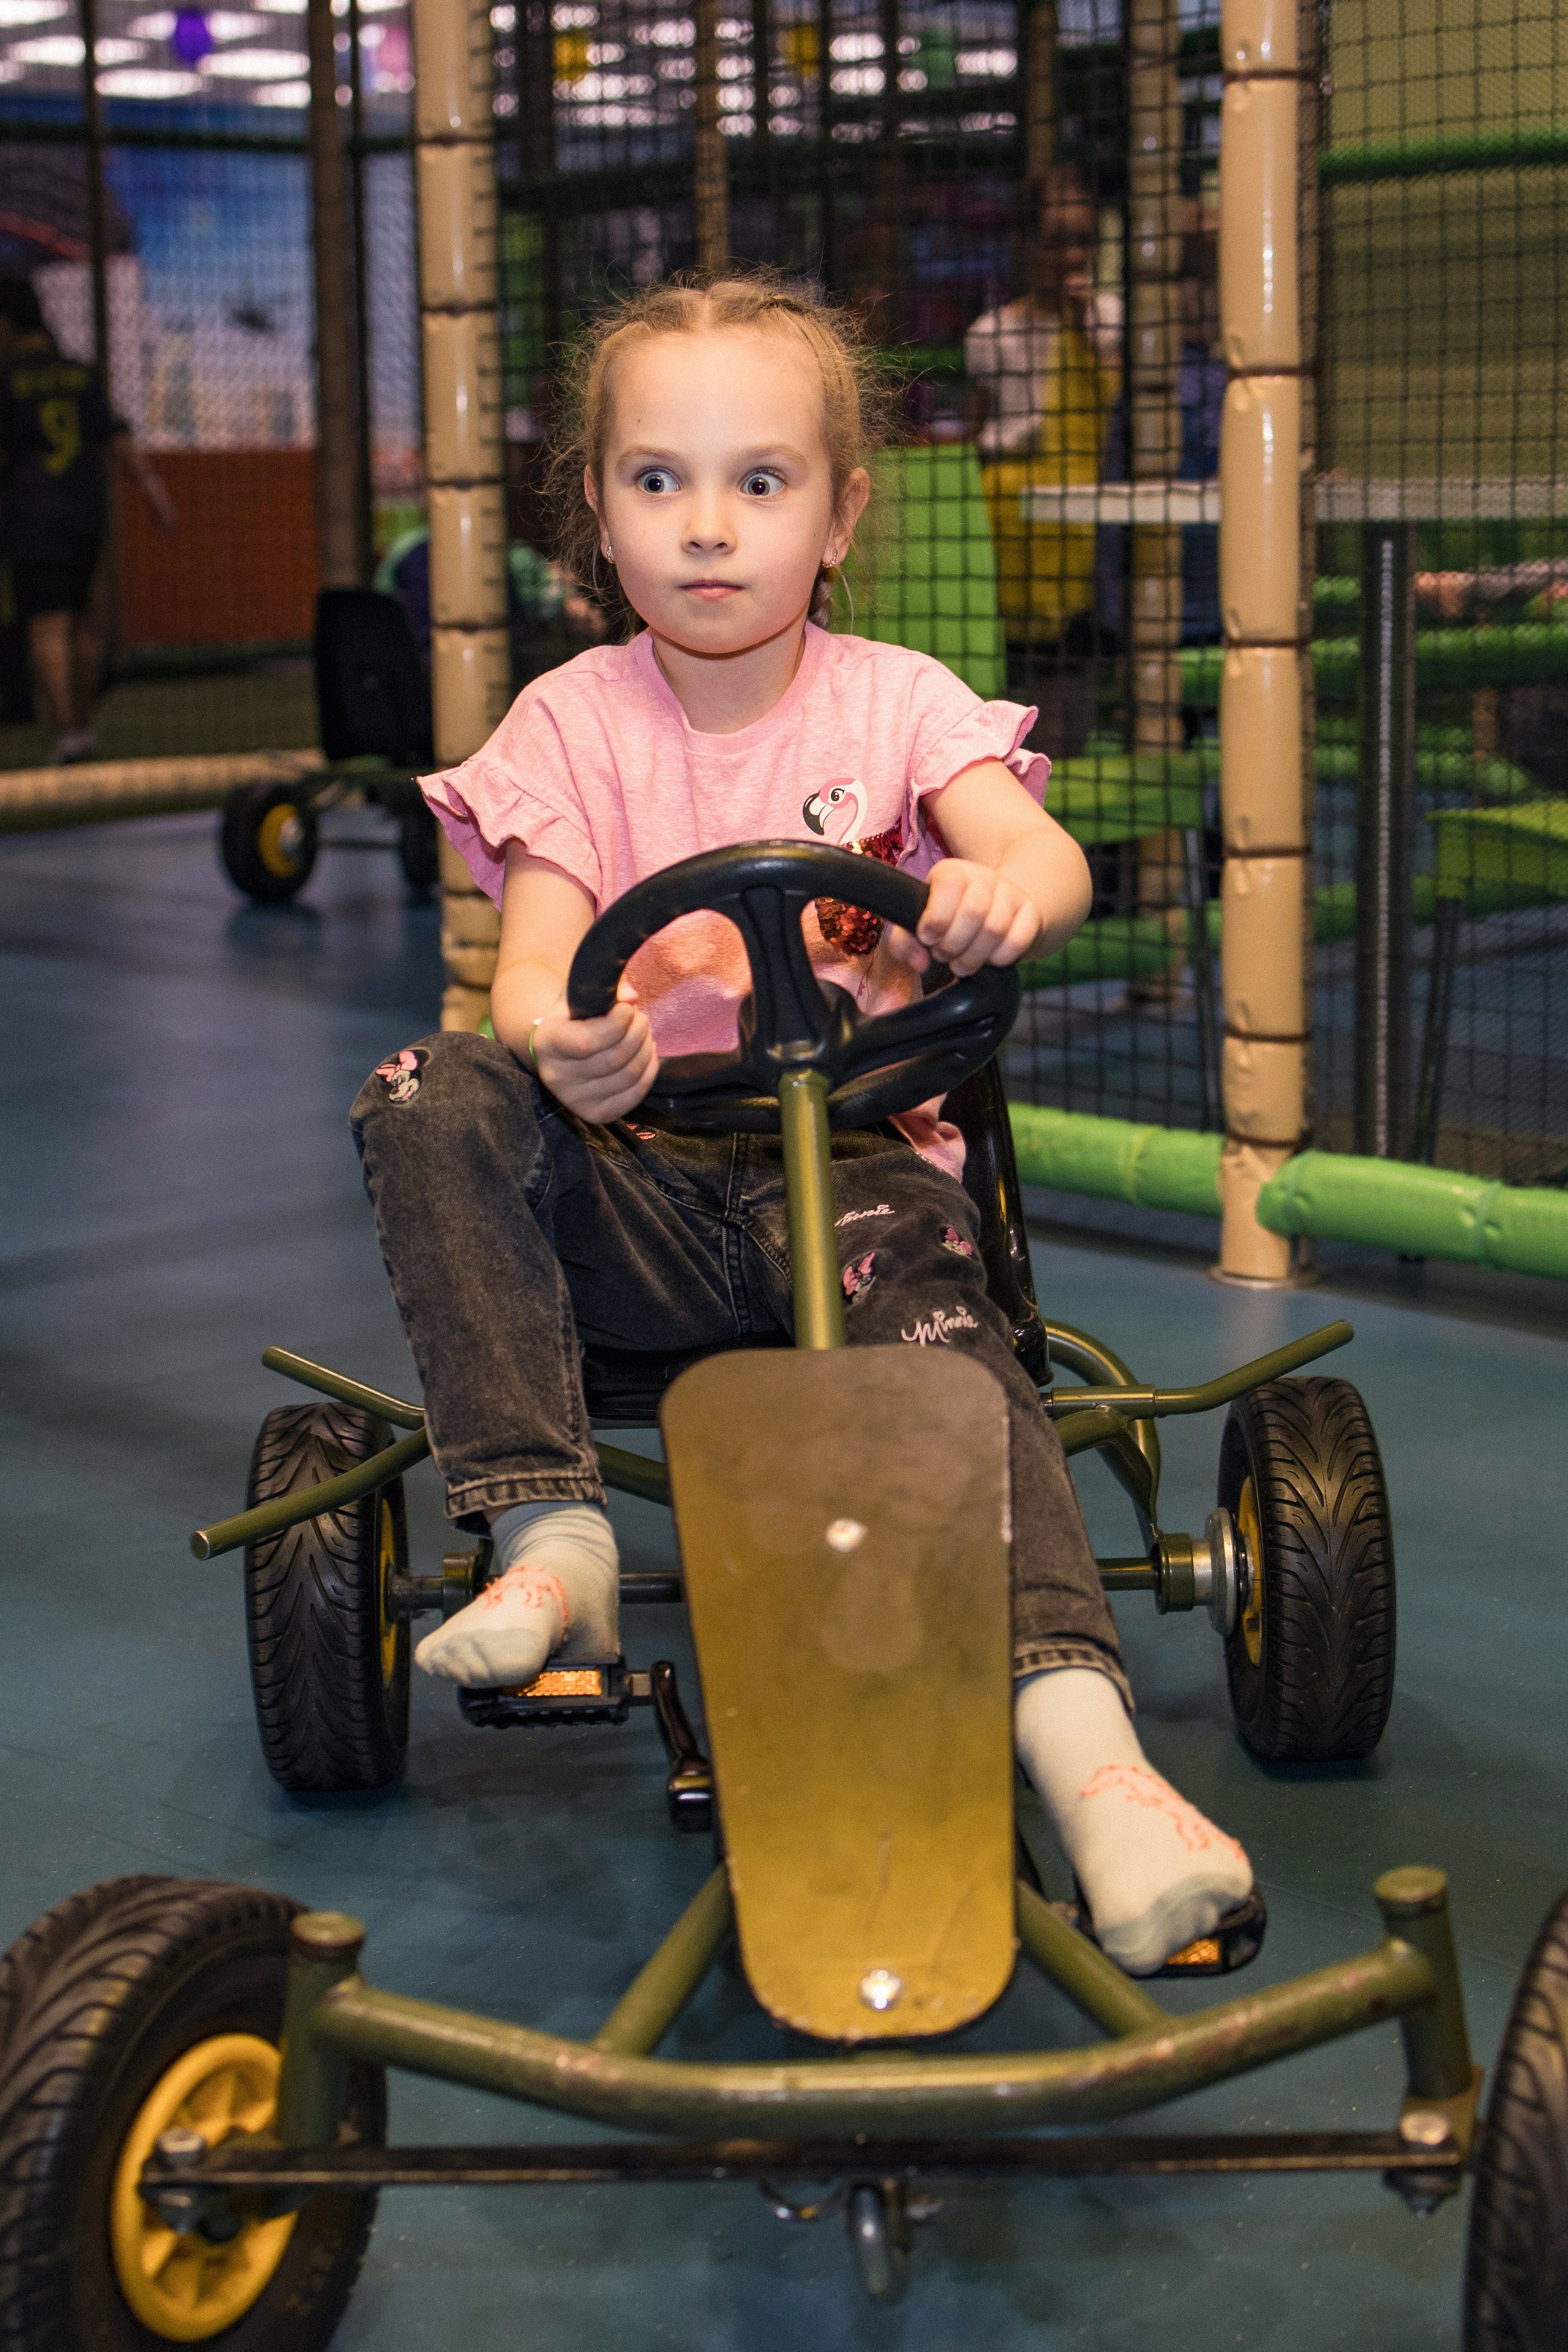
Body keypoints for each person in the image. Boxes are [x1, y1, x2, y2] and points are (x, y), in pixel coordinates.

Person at [350, 273, 1254, 1977]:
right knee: (430, 1087)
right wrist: (574, 1045)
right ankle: (552, 1541)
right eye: (657, 482)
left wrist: (997, 887)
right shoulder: (572, 725)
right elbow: (532, 974)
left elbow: (1042, 859)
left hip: (862, 1190)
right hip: (640, 1202)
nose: (708, 530)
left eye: (760, 484)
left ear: (839, 517)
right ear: (597, 519)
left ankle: (1097, 1770)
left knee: (967, 1368)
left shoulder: (899, 704)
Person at [965, 167, 1120, 759]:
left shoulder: (1106, 319)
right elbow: (979, 435)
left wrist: (1083, 329)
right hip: (1013, 537)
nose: (1072, 255)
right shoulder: (991, 334)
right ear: (1027, 245)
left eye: (1084, 239)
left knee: (1070, 684)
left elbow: (1115, 409)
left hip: (1082, 535)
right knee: (1013, 683)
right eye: (1057, 240)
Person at [0, 276, 175, 763]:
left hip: (33, 516)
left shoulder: (8, 380)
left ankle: (68, 733)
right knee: (83, 626)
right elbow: (119, 439)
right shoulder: (81, 374)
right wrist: (156, 495)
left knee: (47, 625)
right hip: (84, 515)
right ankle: (84, 728)